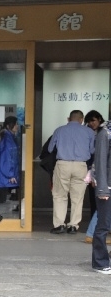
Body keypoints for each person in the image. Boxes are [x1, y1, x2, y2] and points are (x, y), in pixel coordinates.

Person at [48, 110, 95, 234]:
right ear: (82, 119)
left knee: (59, 195)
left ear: (68, 119)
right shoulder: (89, 132)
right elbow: (92, 150)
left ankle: (59, 225)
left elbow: (50, 148)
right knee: (77, 197)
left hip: (62, 164)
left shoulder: (59, 130)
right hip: (81, 165)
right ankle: (73, 225)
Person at [92, 114, 111, 274]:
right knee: (103, 225)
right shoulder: (105, 133)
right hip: (107, 187)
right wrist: (103, 189)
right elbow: (100, 163)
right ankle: (100, 262)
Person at [83, 110, 106, 243]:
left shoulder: (104, 132)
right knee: (99, 204)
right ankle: (93, 232)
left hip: (97, 170)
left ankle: (95, 231)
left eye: (93, 121)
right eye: (89, 121)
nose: (91, 124)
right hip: (96, 170)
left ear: (99, 119)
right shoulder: (92, 133)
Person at [0, 116, 19, 206]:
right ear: (8, 126)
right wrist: (10, 175)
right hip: (6, 176)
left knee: (2, 201)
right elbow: (7, 158)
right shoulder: (7, 139)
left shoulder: (10, 138)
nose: (17, 126)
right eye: (15, 124)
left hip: (6, 175)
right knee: (1, 203)